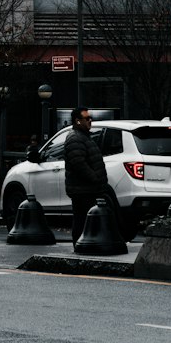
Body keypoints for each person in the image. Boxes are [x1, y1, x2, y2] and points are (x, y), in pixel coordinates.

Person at [63, 107, 117, 249]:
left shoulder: (83, 136)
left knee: (86, 220)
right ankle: (80, 246)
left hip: (88, 188)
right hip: (83, 190)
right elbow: (78, 163)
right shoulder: (75, 138)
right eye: (86, 118)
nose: (90, 121)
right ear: (78, 121)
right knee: (81, 220)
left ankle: (85, 245)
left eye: (90, 118)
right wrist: (95, 178)